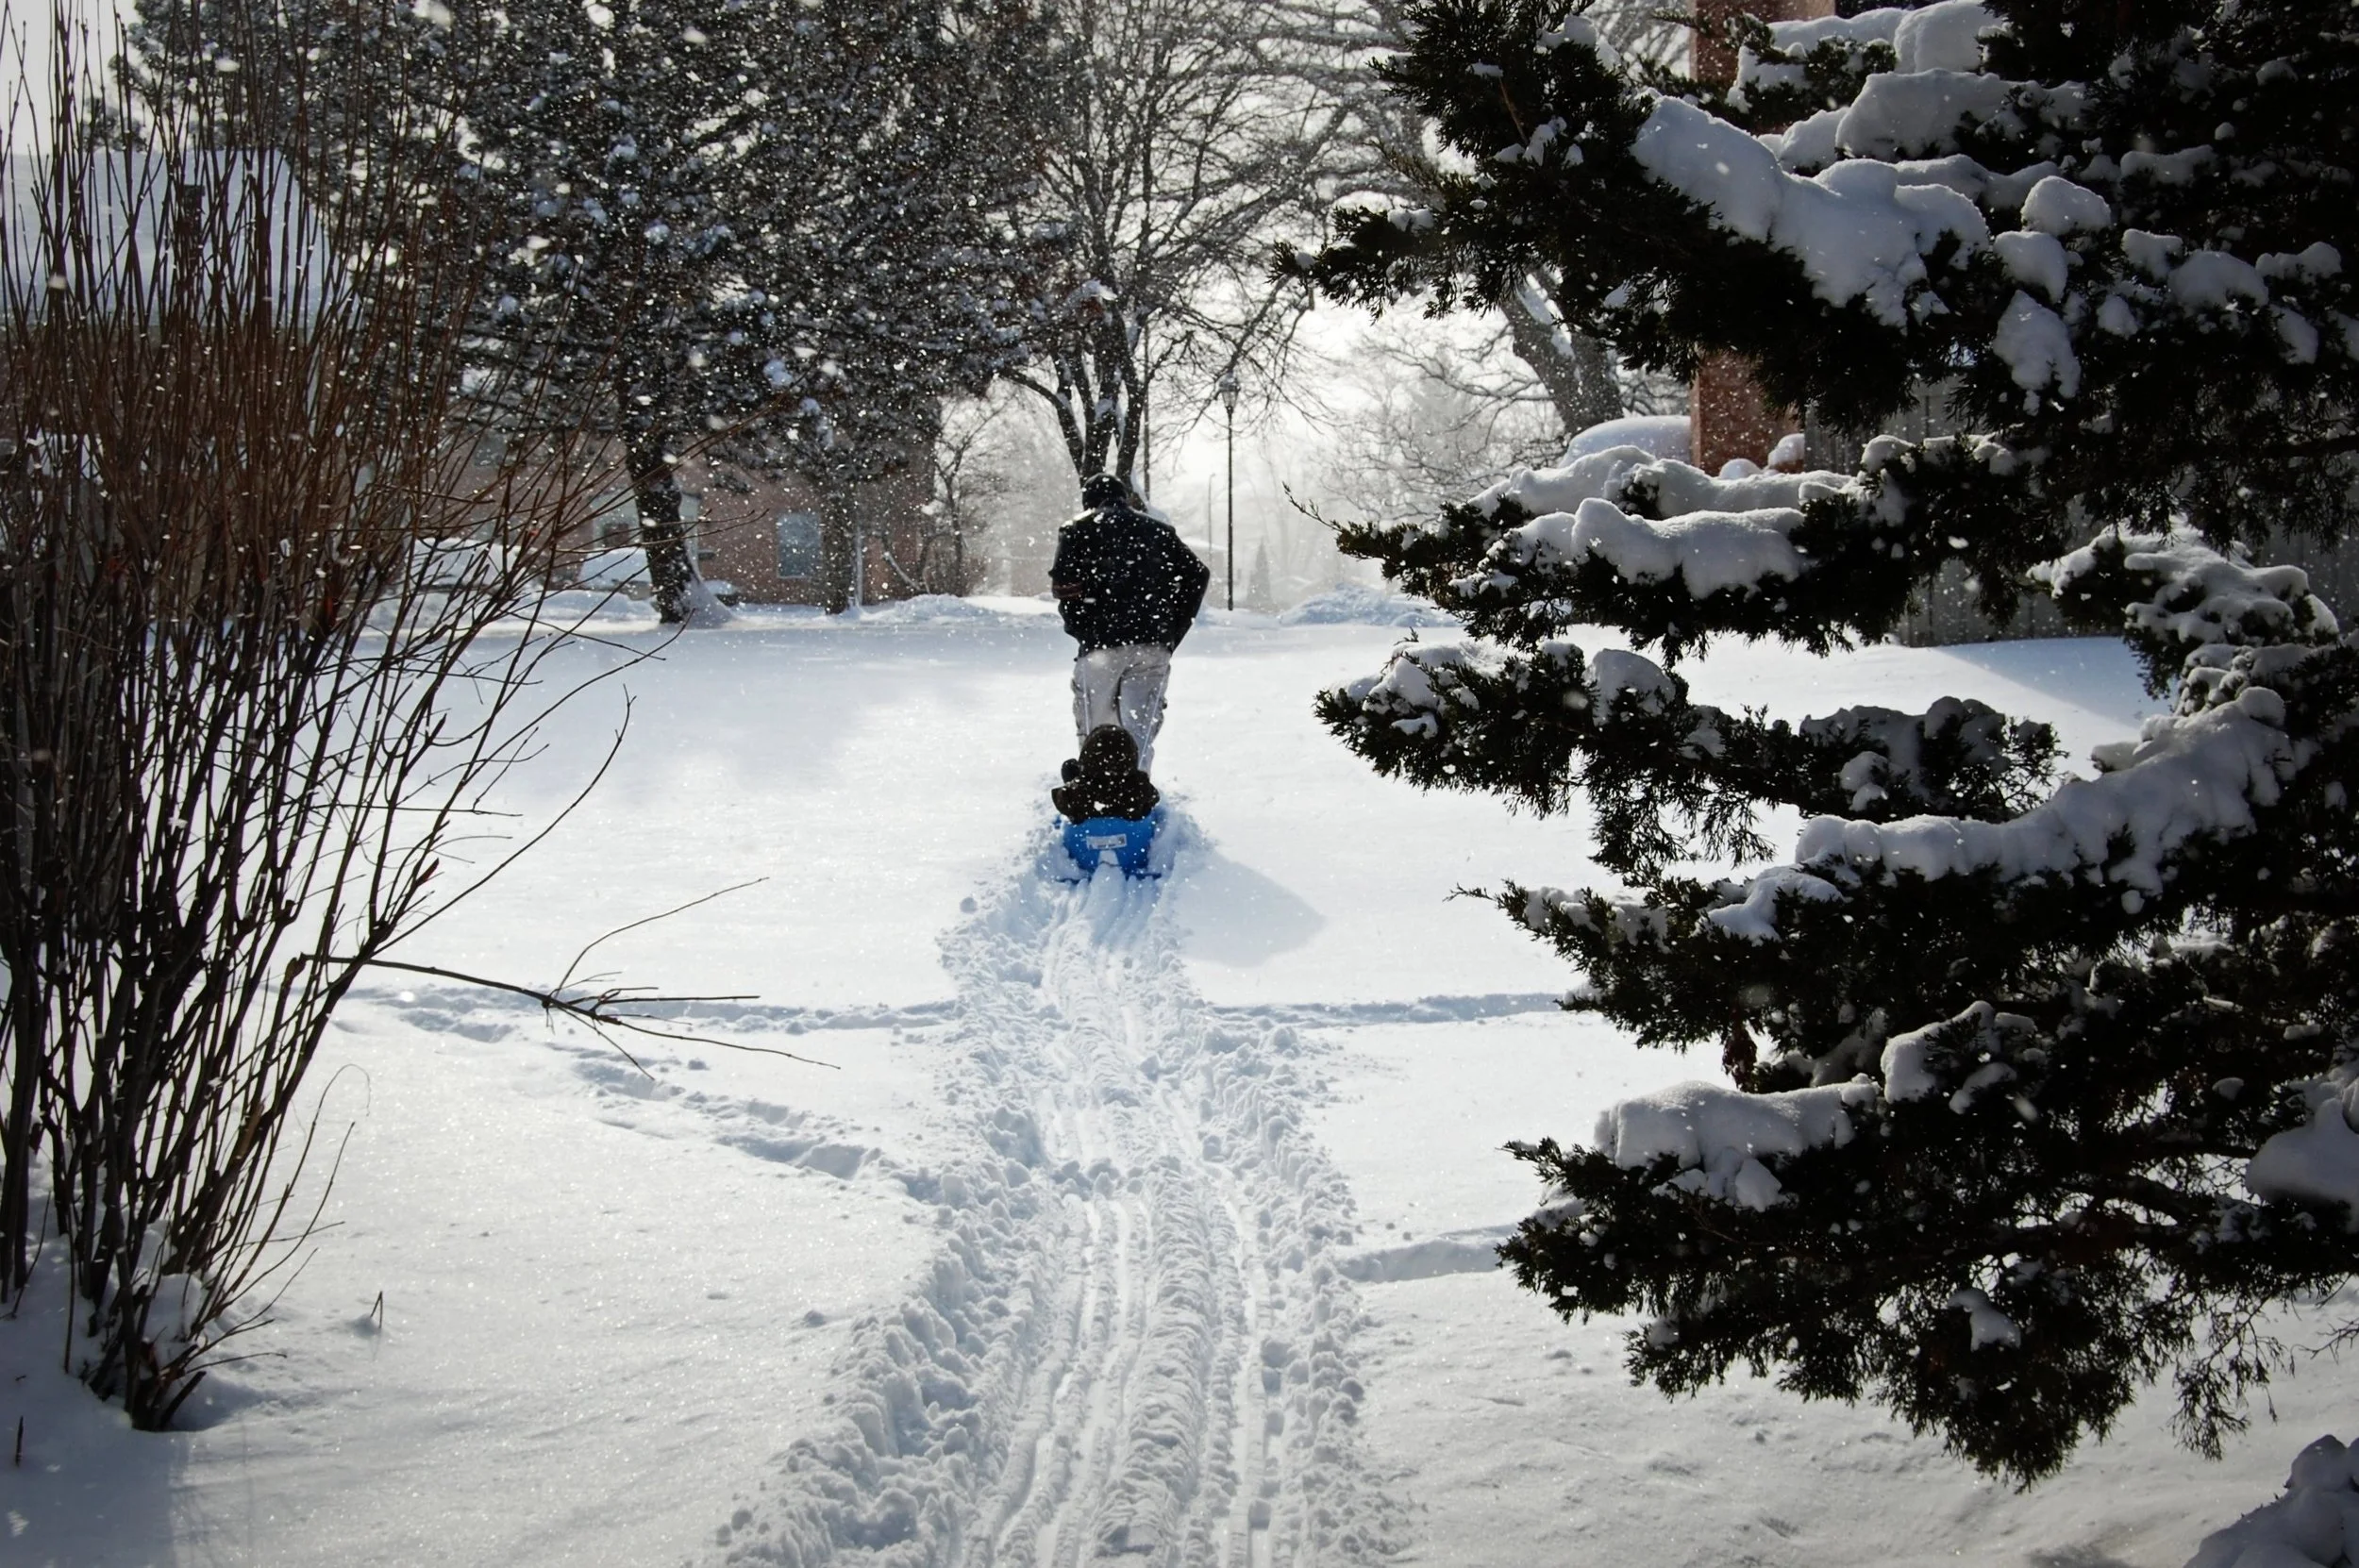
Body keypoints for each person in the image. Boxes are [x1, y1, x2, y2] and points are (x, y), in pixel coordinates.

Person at [1049, 473, 1210, 773]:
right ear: (1125, 498)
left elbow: (1063, 588)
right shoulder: (1158, 531)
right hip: (1152, 644)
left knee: (1095, 733)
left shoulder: (1076, 530)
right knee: (1139, 732)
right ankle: (1137, 792)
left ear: (1089, 502)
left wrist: (1083, 628)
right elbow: (1197, 574)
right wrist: (1173, 630)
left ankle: (1093, 791)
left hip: (1101, 648)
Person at [1052, 725, 1161, 823]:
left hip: (1087, 833)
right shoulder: (1138, 786)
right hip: (1133, 836)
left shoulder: (1079, 791)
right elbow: (1154, 797)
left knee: (1069, 766)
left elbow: (1061, 800)